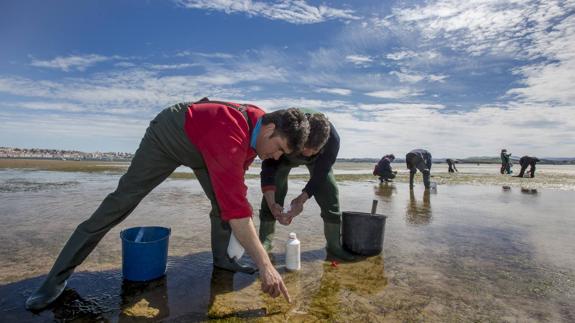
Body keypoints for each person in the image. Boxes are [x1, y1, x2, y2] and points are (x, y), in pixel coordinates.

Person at [25, 98, 308, 310]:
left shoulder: (259, 124)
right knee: (119, 204)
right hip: (169, 136)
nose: (275, 157)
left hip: (205, 145)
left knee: (224, 204)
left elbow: (234, 192)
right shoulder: (231, 136)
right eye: (279, 148)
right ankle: (54, 281)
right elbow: (238, 212)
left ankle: (223, 260)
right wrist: (265, 265)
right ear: (269, 129)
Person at [258, 109, 356, 261]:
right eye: (305, 148)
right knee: (276, 187)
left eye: (314, 150)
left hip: (317, 163)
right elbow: (268, 169)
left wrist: (301, 199)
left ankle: (334, 245)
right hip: (286, 154)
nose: (307, 154)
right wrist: (272, 203)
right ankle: (266, 240)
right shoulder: (289, 129)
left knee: (329, 192)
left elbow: (320, 175)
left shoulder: (333, 140)